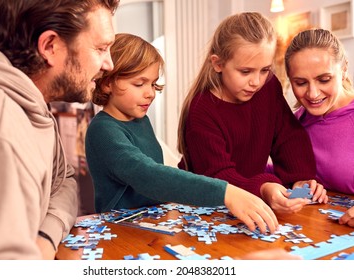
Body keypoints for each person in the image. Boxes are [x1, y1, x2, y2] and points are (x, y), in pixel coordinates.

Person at [0, 0, 119, 259]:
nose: (109, 64)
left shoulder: (33, 102)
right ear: (49, 46)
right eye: (101, 48)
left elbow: (64, 183)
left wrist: (45, 237)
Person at [85, 33, 279, 235]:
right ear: (108, 82)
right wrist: (226, 192)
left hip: (153, 225)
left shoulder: (140, 120)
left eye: (152, 84)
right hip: (120, 232)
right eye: (139, 84)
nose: (150, 93)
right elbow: (149, 175)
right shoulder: (103, 131)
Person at [177, 12, 328, 214]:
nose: (256, 82)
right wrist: (264, 187)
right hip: (203, 208)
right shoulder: (201, 110)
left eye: (264, 70)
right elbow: (218, 176)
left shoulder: (268, 86)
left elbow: (287, 136)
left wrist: (299, 178)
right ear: (218, 64)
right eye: (245, 72)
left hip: (252, 204)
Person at [284, 28, 354, 228]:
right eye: (300, 83)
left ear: (343, 71)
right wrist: (297, 184)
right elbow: (281, 171)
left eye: (324, 80)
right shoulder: (294, 123)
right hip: (317, 234)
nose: (313, 94)